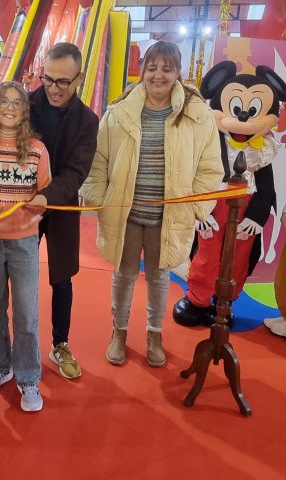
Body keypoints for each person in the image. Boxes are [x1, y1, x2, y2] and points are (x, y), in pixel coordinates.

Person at [80, 41, 222, 368]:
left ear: (178, 72)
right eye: (152, 67)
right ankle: (119, 332)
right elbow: (98, 160)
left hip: (168, 217)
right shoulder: (119, 111)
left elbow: (211, 167)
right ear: (143, 69)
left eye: (167, 68)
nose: (158, 75)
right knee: (124, 274)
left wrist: (195, 206)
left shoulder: (197, 114)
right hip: (125, 214)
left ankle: (154, 333)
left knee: (160, 278)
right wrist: (99, 199)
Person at [0, 43, 99, 380]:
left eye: (62, 82)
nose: (53, 88)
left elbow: (76, 172)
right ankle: (4, 362)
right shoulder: (29, 100)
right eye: (47, 79)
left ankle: (60, 342)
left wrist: (46, 195)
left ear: (79, 79)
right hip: (16, 208)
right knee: (6, 287)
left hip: (57, 202)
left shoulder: (87, 120)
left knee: (62, 276)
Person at [0, 81, 52, 412]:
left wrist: (38, 205)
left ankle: (28, 376)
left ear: (25, 110)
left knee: (26, 314)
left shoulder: (36, 150)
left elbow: (45, 191)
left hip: (24, 242)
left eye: (18, 102)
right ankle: (0, 366)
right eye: (5, 101)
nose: (11, 107)